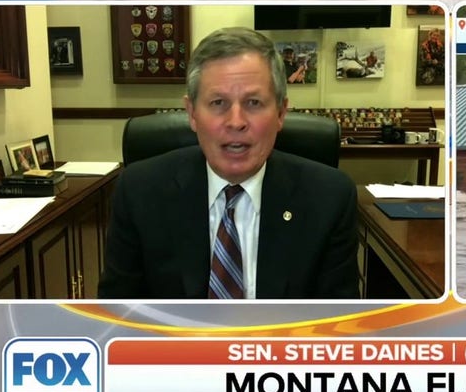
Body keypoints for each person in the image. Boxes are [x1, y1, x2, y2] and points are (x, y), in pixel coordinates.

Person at [98, 27, 359, 299]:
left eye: (254, 102)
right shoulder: (139, 191)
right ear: (192, 114)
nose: (236, 122)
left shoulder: (329, 198)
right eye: (218, 102)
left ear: (281, 113)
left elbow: (336, 325)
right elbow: (118, 315)